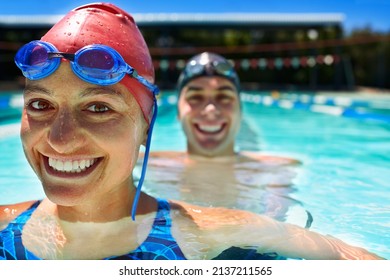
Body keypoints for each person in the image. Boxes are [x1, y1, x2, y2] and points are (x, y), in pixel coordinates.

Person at [0, 3, 384, 260]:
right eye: (40, 105)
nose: (59, 138)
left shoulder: (206, 228)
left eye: (99, 108)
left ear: (147, 127)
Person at [144, 52, 309, 226]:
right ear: (178, 112)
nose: (210, 109)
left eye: (224, 97)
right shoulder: (146, 164)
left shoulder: (275, 169)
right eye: (195, 97)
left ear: (240, 111)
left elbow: (276, 226)